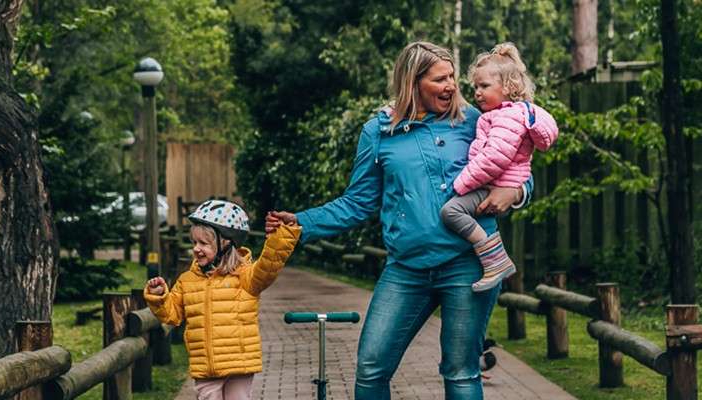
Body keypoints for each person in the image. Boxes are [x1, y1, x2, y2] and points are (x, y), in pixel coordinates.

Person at [265, 41, 532, 399]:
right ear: (413, 82)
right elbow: (358, 202)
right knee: (371, 366)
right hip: (407, 268)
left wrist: (514, 193)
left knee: (461, 372)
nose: (452, 86)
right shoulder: (378, 132)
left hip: (469, 265)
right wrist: (301, 223)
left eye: (452, 76)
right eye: (440, 79)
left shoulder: (476, 120)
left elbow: (518, 168)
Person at [144, 199, 300, 400]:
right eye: (194, 242)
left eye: (204, 243)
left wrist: (281, 238)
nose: (196, 249)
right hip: (206, 367)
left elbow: (269, 266)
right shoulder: (187, 280)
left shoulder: (245, 277)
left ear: (226, 243)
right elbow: (172, 316)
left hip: (239, 364)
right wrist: (159, 298)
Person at [441, 42, 558, 292]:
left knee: (451, 212)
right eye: (475, 87)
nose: (477, 93)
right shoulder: (500, 114)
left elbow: (494, 158)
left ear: (507, 87)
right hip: (494, 183)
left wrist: (460, 185)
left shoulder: (507, 117)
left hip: (495, 184)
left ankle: (495, 259)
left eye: (484, 86)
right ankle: (495, 259)